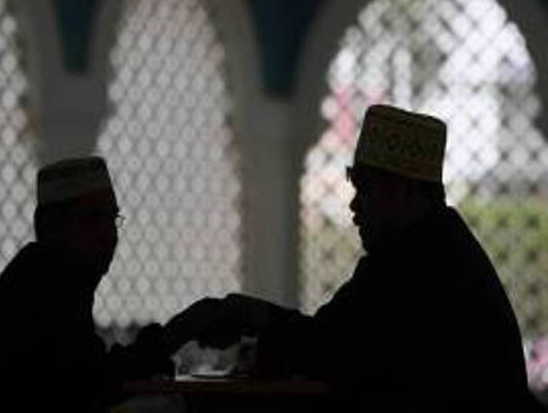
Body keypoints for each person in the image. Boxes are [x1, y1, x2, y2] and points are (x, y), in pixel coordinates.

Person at [185, 105, 545, 412]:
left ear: (403, 191)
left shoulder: (411, 261)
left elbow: (325, 347)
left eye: (365, 189)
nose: (355, 206)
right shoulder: (439, 245)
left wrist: (252, 316)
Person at [0, 156, 220, 413]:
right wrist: (179, 331)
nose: (109, 235)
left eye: (112, 218)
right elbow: (89, 382)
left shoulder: (49, 273)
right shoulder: (45, 280)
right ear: (49, 227)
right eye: (91, 219)